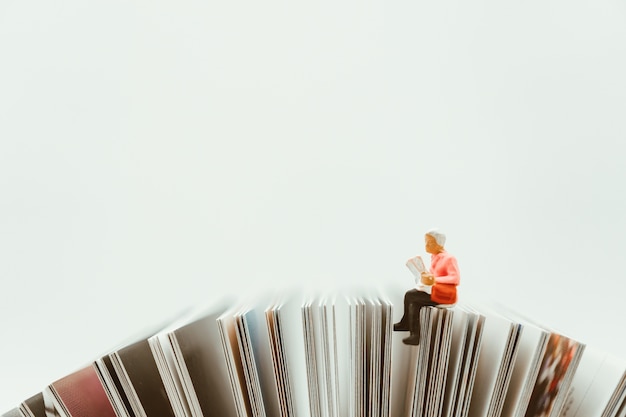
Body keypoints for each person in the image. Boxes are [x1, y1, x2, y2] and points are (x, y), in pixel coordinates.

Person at [394, 229, 460, 345]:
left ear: (439, 243)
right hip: (435, 290)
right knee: (414, 303)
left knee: (410, 295)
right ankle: (415, 335)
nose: (426, 245)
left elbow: (455, 278)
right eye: (425, 242)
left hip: (445, 294)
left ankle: (405, 324)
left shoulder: (449, 258)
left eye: (430, 242)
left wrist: (434, 279)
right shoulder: (434, 257)